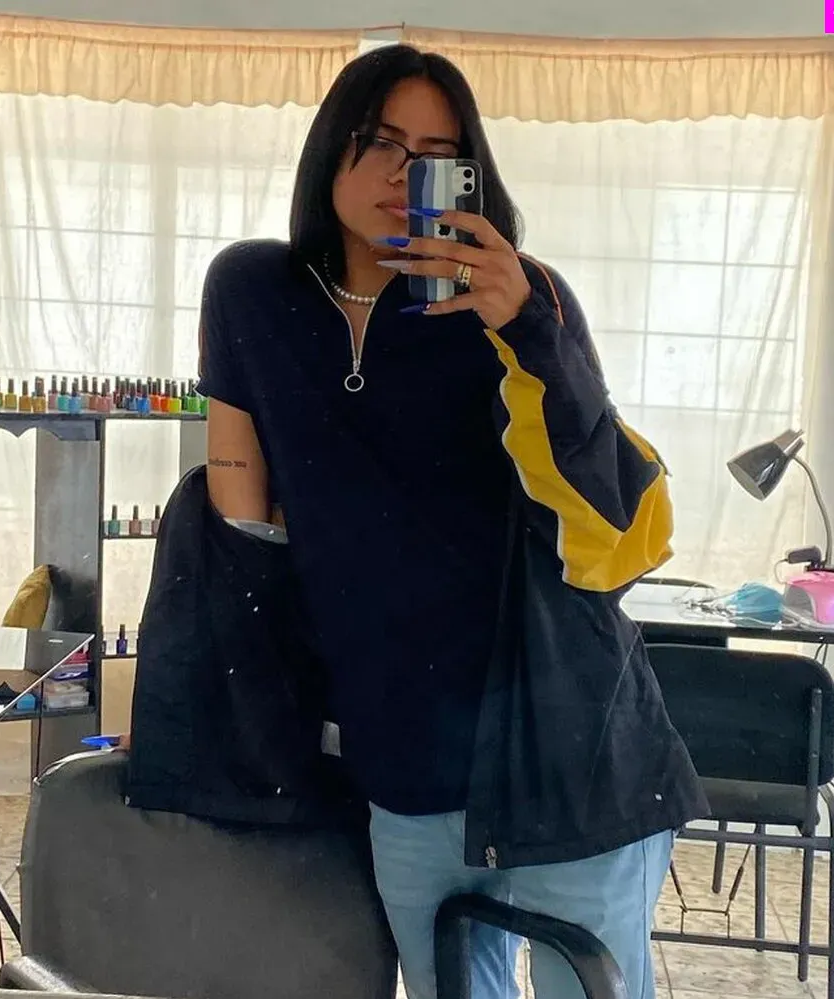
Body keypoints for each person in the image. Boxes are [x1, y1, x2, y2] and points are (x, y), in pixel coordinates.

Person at [195, 44, 706, 999]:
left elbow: (608, 525)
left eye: (438, 154)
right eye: (382, 142)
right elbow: (239, 526)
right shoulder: (254, 293)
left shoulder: (525, 296)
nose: (404, 174)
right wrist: (203, 705)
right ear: (331, 149)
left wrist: (527, 330)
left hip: (566, 751)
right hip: (404, 760)